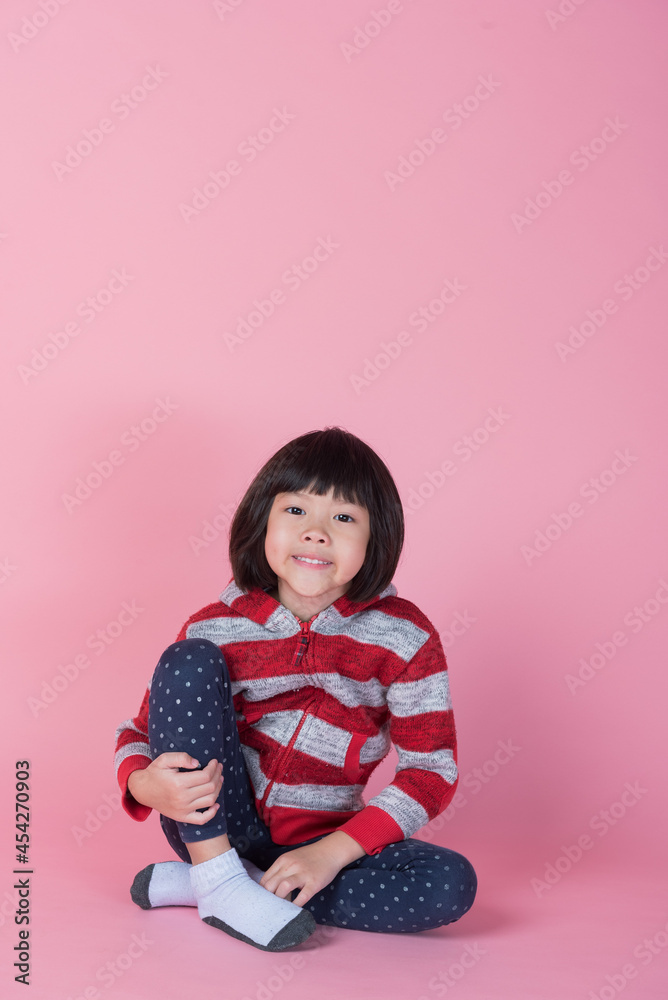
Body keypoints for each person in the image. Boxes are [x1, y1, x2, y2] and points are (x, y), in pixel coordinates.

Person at [113, 426, 477, 952]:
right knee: (188, 660)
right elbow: (138, 732)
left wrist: (332, 853)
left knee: (447, 884)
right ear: (262, 520)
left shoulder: (404, 637)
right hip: (213, 823)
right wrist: (144, 784)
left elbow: (431, 770)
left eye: (344, 518)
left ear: (377, 537)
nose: (316, 532)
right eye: (296, 510)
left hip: (326, 837)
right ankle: (216, 870)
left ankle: (223, 884)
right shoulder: (215, 625)